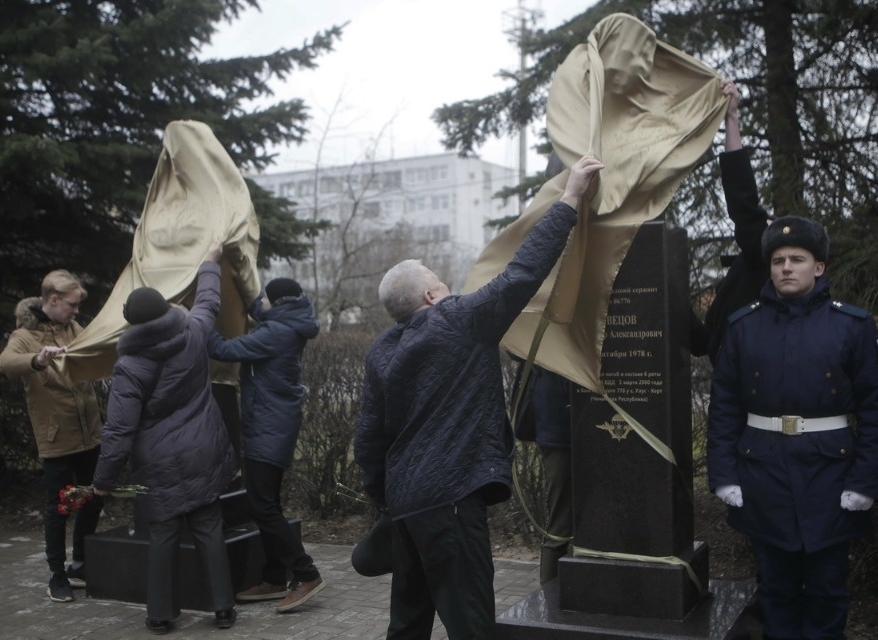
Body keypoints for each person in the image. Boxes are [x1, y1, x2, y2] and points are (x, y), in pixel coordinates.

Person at [354, 155, 604, 639]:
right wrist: (570, 197)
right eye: (434, 274)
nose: (442, 278)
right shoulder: (461, 321)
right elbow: (524, 272)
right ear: (429, 296)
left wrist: (384, 497)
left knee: (407, 622)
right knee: (470, 620)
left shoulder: (380, 351)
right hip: (449, 503)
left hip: (406, 507)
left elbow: (368, 439)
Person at [707, 216, 878, 639]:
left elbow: (874, 409)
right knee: (776, 592)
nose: (785, 267)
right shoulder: (743, 326)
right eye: (778, 260)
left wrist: (865, 481)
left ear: (818, 267)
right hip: (764, 475)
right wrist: (724, 474)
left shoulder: (852, 326)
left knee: (827, 593)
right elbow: (725, 409)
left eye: (797, 259)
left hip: (831, 475)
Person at [92, 242, 239, 635]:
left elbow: (119, 429)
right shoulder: (192, 332)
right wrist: (209, 262)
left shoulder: (130, 365)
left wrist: (103, 480)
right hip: (204, 448)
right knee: (210, 527)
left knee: (163, 533)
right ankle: (223, 609)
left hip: (158, 462)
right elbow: (208, 302)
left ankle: (160, 615)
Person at [207, 277, 324, 613]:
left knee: (263, 507)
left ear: (277, 302)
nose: (262, 304)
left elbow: (223, 350)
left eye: (265, 299)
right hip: (276, 424)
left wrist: (198, 320)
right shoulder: (290, 320)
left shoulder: (274, 333)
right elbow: (260, 308)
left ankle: (306, 573)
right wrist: (241, 282)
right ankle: (273, 577)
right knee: (267, 503)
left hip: (268, 428)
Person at [0, 269, 104, 603]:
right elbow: (5, 362)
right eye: (71, 305)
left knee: (91, 497)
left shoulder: (74, 328)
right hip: (57, 438)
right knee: (59, 507)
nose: (76, 311)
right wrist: (37, 359)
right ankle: (57, 574)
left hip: (91, 434)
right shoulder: (26, 335)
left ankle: (81, 562)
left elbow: (97, 348)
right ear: (53, 300)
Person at [690, 79, 770, 364]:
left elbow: (744, 204)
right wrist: (663, 290)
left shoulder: (762, 266)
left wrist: (732, 120)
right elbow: (703, 343)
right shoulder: (736, 278)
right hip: (726, 397)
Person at [512, 364, 573, 585]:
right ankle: (549, 601)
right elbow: (518, 348)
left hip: (585, 424)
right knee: (559, 526)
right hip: (558, 428)